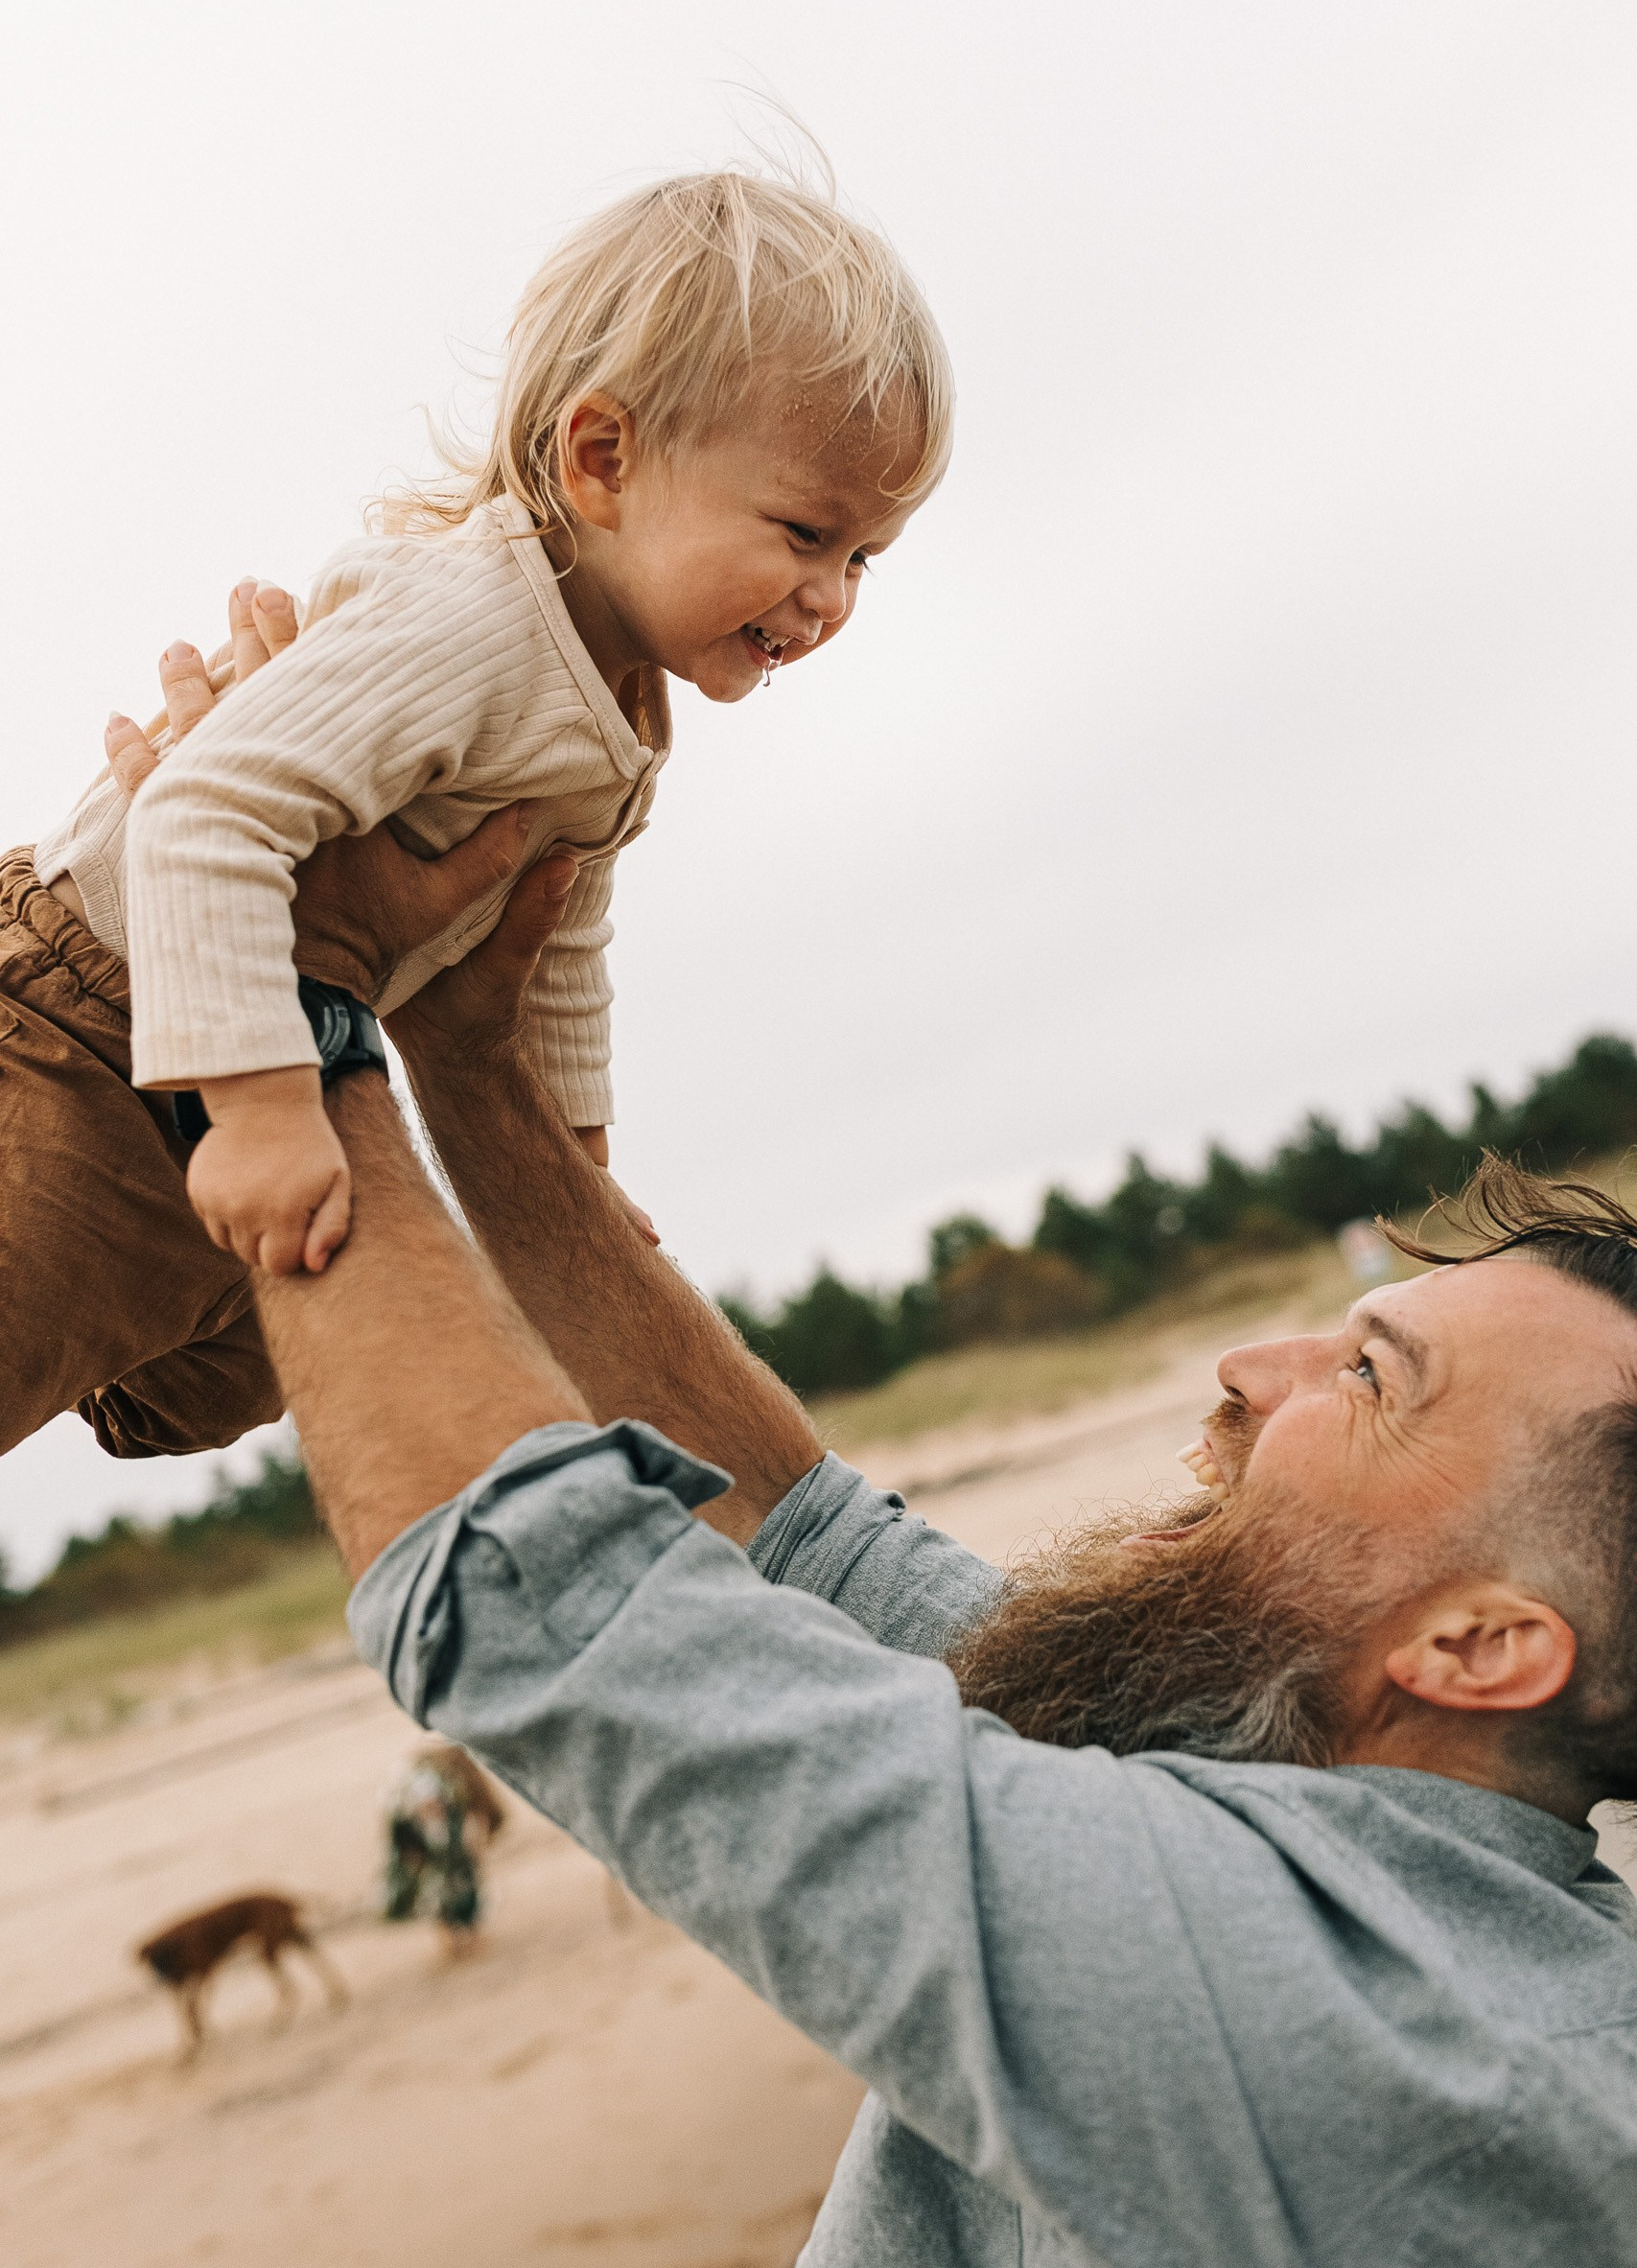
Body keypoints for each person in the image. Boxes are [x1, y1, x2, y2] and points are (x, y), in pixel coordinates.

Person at [94, 660, 1637, 2260]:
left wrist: (280, 996)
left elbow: (560, 1619)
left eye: (1369, 1376)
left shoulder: (1410, 2050)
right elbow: (812, 1542)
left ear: (1480, 1644)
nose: (1250, 1367)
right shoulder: (1287, 1778)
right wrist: (468, 1064)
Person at [2, 166, 950, 1460]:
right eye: (801, 531)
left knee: (235, 1359)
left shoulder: (612, 703)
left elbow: (553, 956)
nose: (828, 596)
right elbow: (202, 814)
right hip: (85, 1020)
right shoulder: (476, 619)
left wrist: (578, 1167)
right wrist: (267, 1107)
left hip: (240, 1041)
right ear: (602, 457)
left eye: (861, 559)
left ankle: (95, 1324)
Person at [382, 1742, 505, 1959]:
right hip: (433, 1844)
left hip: (428, 1844)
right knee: (450, 1891)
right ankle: (461, 1940)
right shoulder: (434, 1780)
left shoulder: (416, 1777)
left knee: (442, 1892)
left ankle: (458, 1940)